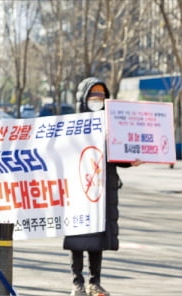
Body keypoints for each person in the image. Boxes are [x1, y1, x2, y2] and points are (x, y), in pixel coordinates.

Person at [63, 77, 142, 296]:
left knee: (97, 237)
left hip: (103, 188)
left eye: (101, 95)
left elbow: (116, 153)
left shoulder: (110, 124)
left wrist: (130, 160)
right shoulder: (72, 125)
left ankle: (94, 281)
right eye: (93, 95)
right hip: (79, 187)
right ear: (83, 98)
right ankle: (77, 282)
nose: (98, 99)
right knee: (77, 237)